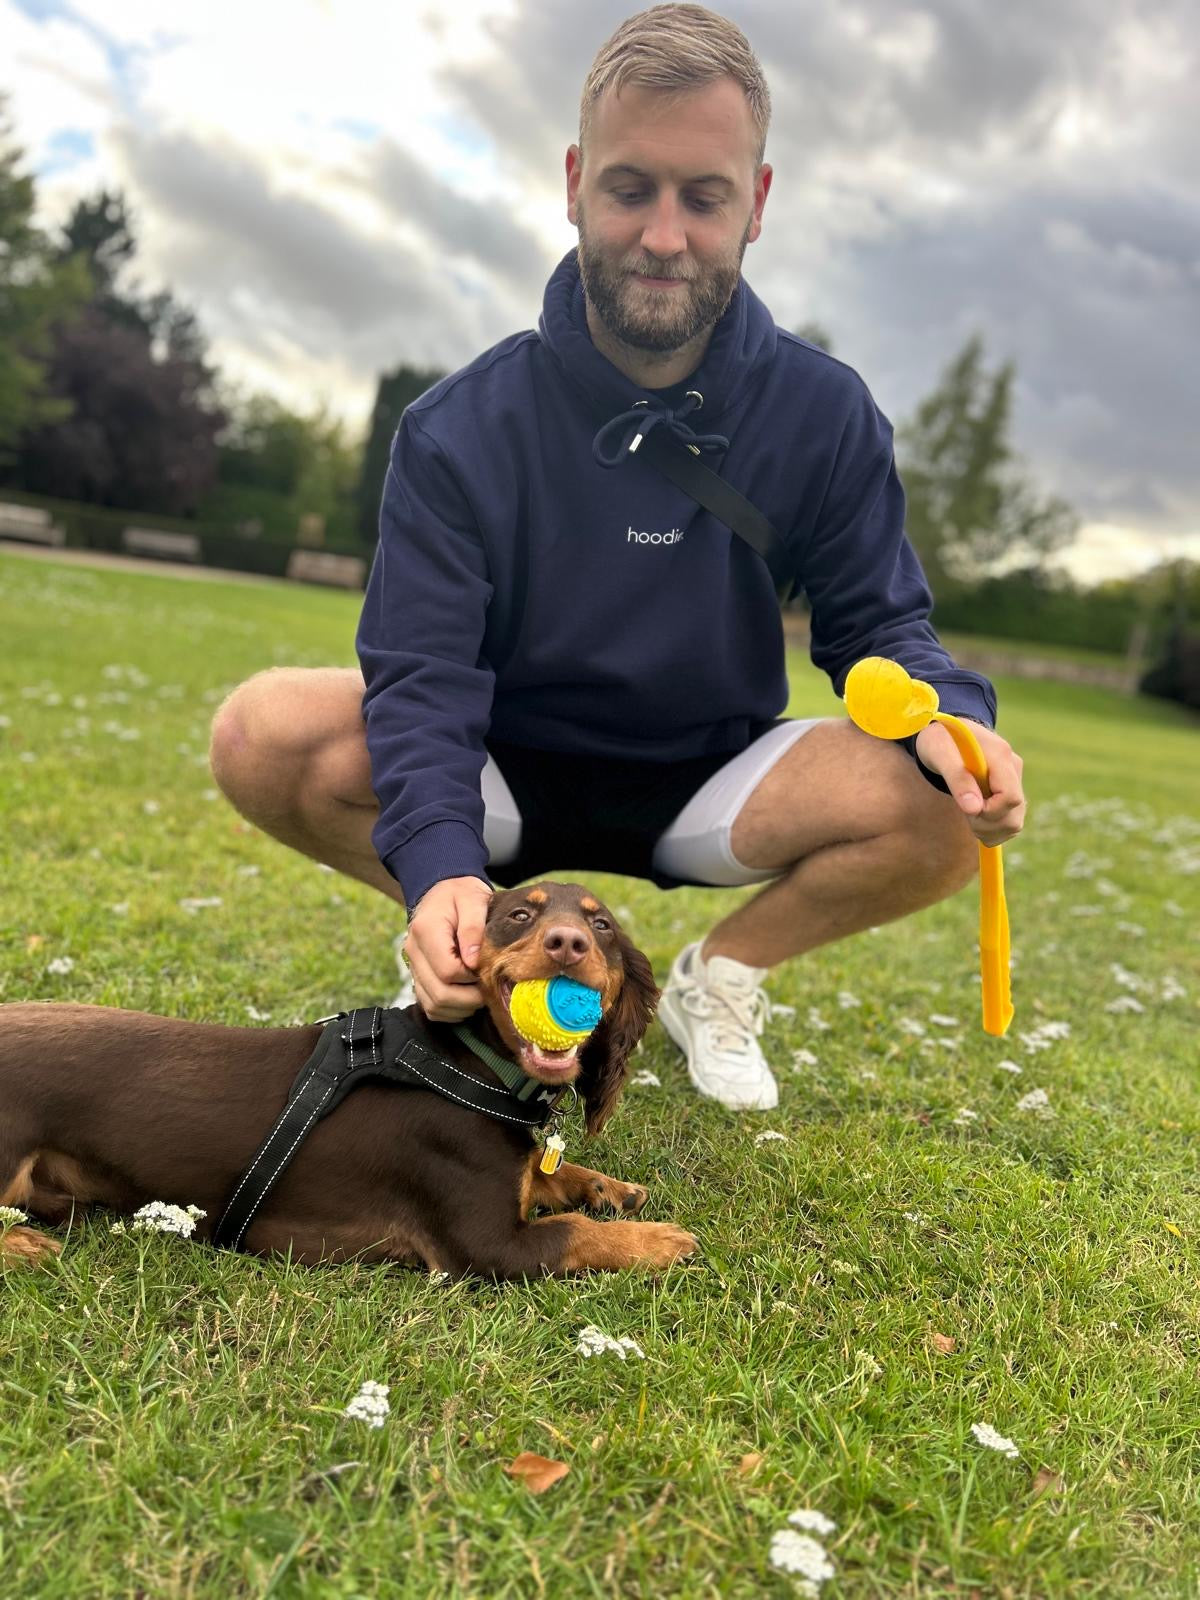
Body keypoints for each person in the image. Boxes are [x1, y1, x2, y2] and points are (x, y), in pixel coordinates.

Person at [209, 3, 1026, 1113]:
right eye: (630, 188)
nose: (664, 235)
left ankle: (719, 976)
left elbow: (881, 626)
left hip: (709, 781)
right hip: (501, 770)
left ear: (759, 203)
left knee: (942, 793)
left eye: (705, 197)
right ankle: (474, 939)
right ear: (574, 182)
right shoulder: (457, 427)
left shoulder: (826, 413)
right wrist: (441, 867)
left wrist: (952, 719)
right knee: (260, 731)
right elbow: (423, 679)